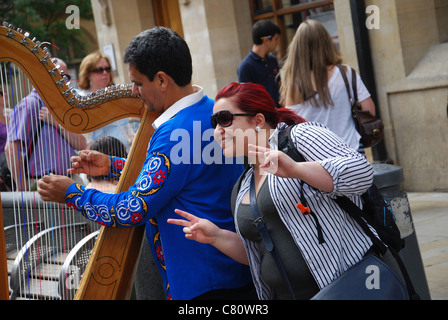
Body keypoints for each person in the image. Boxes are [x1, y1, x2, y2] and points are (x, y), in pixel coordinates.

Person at [37, 27, 254, 300]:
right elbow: (182, 173)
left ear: (162, 80)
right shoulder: (210, 110)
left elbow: (131, 210)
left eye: (138, 83)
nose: (133, 91)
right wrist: (113, 166)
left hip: (201, 281)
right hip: (234, 272)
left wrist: (71, 193)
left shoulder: (173, 132)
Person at [168, 82, 377, 300]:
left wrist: (297, 169)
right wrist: (217, 236)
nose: (217, 130)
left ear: (258, 120)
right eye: (214, 122)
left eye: (224, 119)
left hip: (347, 288)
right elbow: (261, 252)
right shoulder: (242, 185)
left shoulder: (299, 137)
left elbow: (362, 173)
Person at [280, 19, 376, 153]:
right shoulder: (346, 73)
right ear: (326, 43)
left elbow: (290, 126)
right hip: (351, 150)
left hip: (315, 156)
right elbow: (369, 110)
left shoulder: (294, 85)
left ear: (297, 48)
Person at [4, 59, 87, 191]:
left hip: (70, 180)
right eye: (58, 75)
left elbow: (82, 144)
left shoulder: (62, 106)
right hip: (42, 183)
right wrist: (22, 186)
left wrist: (57, 124)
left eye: (66, 77)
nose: (63, 81)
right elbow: (11, 148)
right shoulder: (30, 105)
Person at [78, 51, 138, 152]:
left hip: (126, 155)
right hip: (104, 157)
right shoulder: (83, 100)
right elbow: (87, 142)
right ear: (87, 74)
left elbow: (126, 127)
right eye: (99, 70)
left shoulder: (115, 95)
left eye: (107, 69)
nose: (105, 73)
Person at [237, 20, 282, 108]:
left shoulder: (273, 60)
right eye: (276, 39)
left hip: (280, 113)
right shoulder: (245, 67)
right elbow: (246, 99)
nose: (278, 42)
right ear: (266, 40)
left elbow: (280, 84)